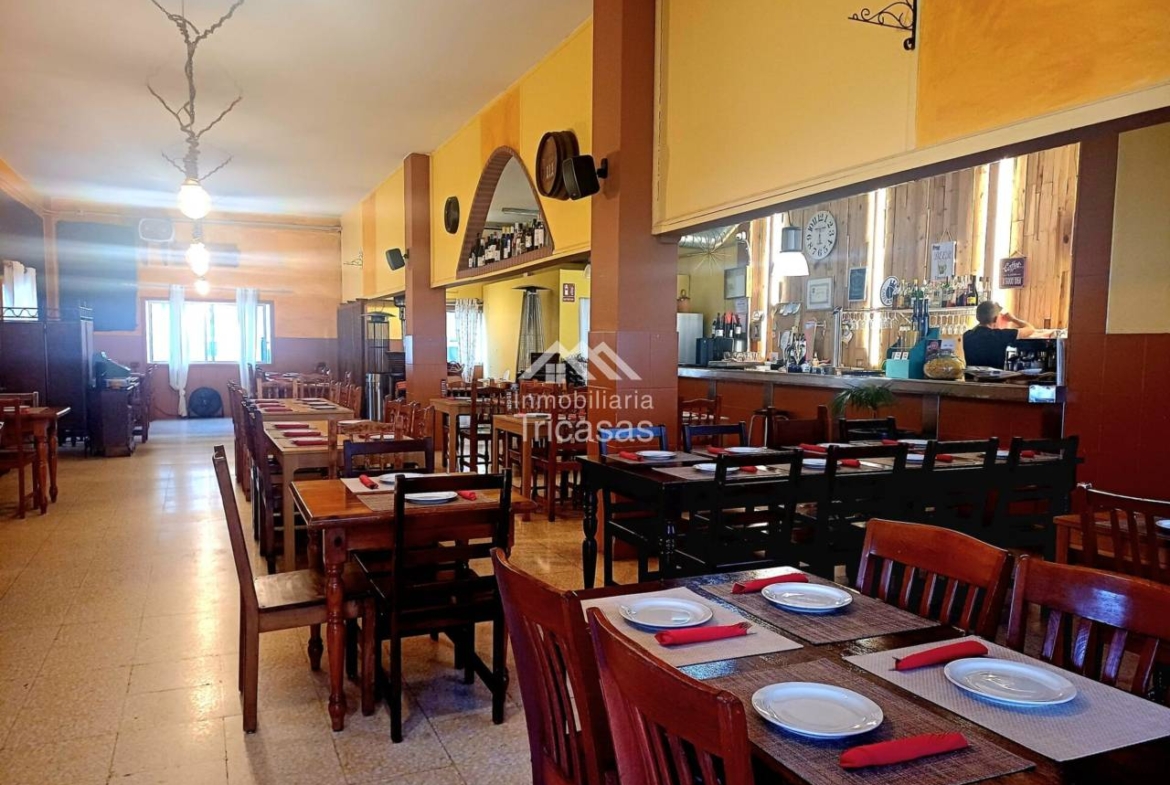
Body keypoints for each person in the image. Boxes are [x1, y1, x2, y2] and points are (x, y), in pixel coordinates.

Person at [962, 301, 1035, 369]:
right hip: (995, 377)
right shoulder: (1001, 335)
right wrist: (1013, 319)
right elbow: (1030, 329)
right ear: (995, 319)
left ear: (977, 317)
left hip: (970, 377)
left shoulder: (966, 336)